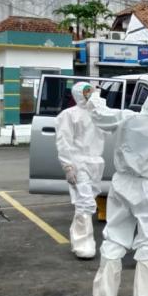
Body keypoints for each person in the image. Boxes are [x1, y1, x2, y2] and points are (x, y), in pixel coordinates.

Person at [89, 85, 148, 296]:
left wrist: (94, 95)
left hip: (122, 181)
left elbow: (99, 115)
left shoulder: (127, 118)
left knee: (115, 233)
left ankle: (104, 292)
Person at [55, 82, 104, 259]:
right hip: (79, 163)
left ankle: (79, 239)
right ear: (77, 94)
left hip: (96, 163)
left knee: (88, 201)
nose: (88, 94)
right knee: (85, 202)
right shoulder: (68, 115)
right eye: (85, 91)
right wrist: (68, 166)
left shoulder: (99, 114)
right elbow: (63, 142)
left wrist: (99, 103)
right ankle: (84, 244)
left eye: (90, 91)